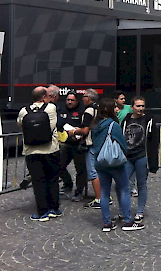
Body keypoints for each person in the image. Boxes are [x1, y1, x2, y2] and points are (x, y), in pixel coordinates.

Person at [91, 98, 143, 232]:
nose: (116, 109)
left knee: (104, 192)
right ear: (109, 109)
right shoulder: (113, 125)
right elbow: (122, 143)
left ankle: (107, 223)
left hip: (100, 161)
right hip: (114, 163)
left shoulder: (95, 125)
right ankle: (128, 221)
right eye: (114, 107)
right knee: (124, 189)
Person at [17, 87, 61, 221]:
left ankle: (42, 212)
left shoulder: (23, 111)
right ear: (44, 97)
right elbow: (52, 126)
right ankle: (54, 208)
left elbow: (21, 125)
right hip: (50, 150)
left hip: (31, 151)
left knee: (38, 181)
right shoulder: (51, 108)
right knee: (52, 179)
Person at [122, 96, 158, 223]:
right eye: (138, 106)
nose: (141, 108)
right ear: (132, 107)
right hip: (127, 157)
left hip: (142, 156)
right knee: (123, 184)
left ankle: (140, 211)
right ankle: (124, 211)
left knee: (141, 185)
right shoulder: (126, 120)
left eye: (142, 106)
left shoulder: (148, 120)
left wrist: (153, 162)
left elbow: (154, 142)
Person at [71, 89, 103, 209]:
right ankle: (103, 196)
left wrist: (73, 131)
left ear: (89, 98)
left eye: (84, 96)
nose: (82, 98)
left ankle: (99, 199)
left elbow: (85, 130)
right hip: (99, 142)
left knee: (92, 172)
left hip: (91, 143)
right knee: (99, 171)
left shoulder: (89, 111)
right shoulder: (99, 108)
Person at [57, 92, 87, 202]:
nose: (69, 102)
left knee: (80, 170)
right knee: (59, 165)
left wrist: (79, 132)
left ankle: (79, 192)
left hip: (79, 144)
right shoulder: (62, 110)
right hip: (66, 143)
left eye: (72, 100)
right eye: (68, 100)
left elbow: (87, 127)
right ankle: (68, 183)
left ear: (77, 101)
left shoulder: (82, 111)